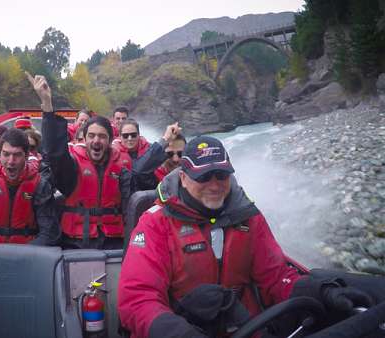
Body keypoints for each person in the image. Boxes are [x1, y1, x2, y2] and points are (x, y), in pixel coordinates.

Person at [118, 136, 375, 338]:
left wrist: (321, 292)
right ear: (183, 178)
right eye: (204, 176)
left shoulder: (249, 218)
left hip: (249, 328)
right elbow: (138, 299)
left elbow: (275, 276)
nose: (215, 184)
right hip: (181, 328)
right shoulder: (155, 223)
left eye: (221, 174)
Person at [28, 72, 142, 249]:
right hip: (75, 243)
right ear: (84, 139)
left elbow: (130, 208)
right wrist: (48, 106)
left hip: (114, 242)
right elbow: (55, 152)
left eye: (102, 136)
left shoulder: (122, 171)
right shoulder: (72, 166)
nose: (96, 141)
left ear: (111, 141)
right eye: (92, 136)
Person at [114, 118, 182, 191]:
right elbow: (137, 170)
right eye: (125, 136)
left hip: (149, 191)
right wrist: (165, 139)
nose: (130, 138)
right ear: (120, 136)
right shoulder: (114, 154)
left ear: (139, 135)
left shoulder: (150, 149)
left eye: (133, 135)